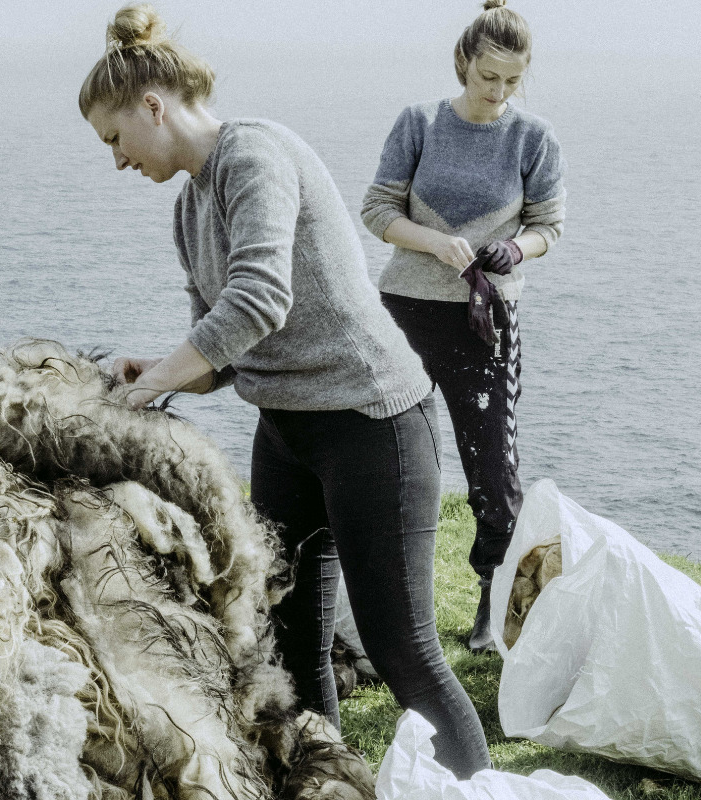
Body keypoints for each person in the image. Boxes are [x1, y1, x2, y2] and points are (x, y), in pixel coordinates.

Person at [80, 3, 491, 778]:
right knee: (290, 644)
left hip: (374, 427)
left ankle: (483, 792)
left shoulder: (253, 156)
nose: (116, 159)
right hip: (290, 435)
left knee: (404, 652)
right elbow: (229, 344)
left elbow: (260, 299)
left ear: (152, 106)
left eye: (113, 138)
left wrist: (164, 378)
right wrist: (157, 370)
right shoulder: (190, 204)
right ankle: (325, 787)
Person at [361, 0, 565, 653]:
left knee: (493, 470)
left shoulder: (534, 139)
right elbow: (377, 210)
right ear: (463, 63)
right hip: (406, 311)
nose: (497, 92)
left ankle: (490, 602)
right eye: (487, 79)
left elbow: (547, 228)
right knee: (386, 457)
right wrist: (431, 240)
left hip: (487, 318)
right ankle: (382, 603)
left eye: (510, 81)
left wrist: (517, 249)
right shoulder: (418, 124)